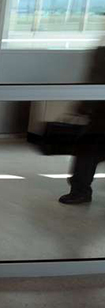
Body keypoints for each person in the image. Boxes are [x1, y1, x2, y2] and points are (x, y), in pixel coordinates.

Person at [58, 44, 105, 205]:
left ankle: (80, 191)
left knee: (88, 150)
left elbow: (96, 79)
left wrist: (82, 107)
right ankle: (80, 190)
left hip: (100, 117)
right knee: (89, 150)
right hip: (100, 115)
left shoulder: (102, 53)